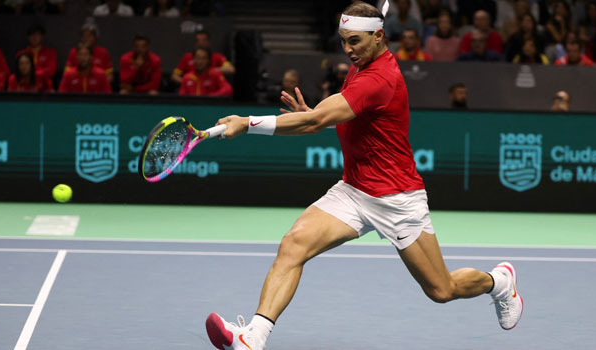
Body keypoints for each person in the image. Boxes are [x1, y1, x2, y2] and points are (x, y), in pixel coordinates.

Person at [204, 2, 523, 350]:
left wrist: (246, 124)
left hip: (398, 199)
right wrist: (316, 117)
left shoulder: (380, 78)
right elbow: (324, 119)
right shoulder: (361, 64)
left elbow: (316, 121)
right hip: (354, 190)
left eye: (354, 41)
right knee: (294, 245)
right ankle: (253, 338)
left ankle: (499, 282)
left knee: (441, 290)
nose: (348, 49)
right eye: (343, 41)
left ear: (379, 35)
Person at [171, 30, 235, 84]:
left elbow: (231, 69)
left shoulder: (218, 57)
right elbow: (175, 75)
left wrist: (210, 71)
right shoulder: (187, 57)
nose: (201, 43)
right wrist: (189, 83)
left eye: (204, 40)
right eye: (198, 40)